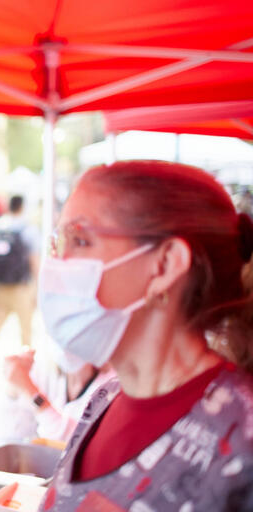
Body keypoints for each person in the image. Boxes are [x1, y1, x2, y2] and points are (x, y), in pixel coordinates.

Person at [37, 160, 253, 510]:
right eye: (58, 242)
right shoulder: (104, 399)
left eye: (79, 239)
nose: (59, 263)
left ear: (165, 265)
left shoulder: (241, 441)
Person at [2, 346, 114, 443]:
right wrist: (14, 388)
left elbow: (75, 442)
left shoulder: (113, 385)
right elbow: (12, 435)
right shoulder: (45, 372)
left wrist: (30, 390)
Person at [0, 195, 40, 373]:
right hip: (21, 289)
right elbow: (34, 262)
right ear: (22, 207)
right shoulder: (29, 230)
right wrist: (37, 288)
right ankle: (26, 373)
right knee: (26, 334)